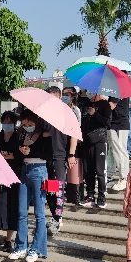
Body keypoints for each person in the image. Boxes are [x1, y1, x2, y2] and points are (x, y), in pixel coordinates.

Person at [9, 110, 51, 262]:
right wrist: (21, 151)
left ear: (36, 122)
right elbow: (20, 155)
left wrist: (31, 150)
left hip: (39, 171)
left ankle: (37, 248)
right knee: (22, 212)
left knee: (39, 213)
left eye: (30, 124)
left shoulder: (45, 133)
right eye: (25, 124)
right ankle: (21, 246)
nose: (27, 127)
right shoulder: (22, 134)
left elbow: (49, 155)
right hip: (24, 170)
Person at [44, 86, 79, 234]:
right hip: (45, 157)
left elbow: (74, 135)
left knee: (58, 190)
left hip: (60, 157)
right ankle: (54, 216)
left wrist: (71, 154)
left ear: (59, 98)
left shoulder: (67, 114)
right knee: (49, 190)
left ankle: (57, 220)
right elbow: (42, 133)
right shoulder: (44, 114)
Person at [0, 111, 22, 252]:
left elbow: (23, 158)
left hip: (13, 177)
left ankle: (8, 240)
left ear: (15, 124)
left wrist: (13, 157)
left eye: (10, 122)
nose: (7, 125)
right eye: (5, 122)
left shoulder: (19, 139)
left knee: (12, 208)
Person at [80, 92, 112, 208]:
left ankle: (102, 195)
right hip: (86, 141)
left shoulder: (105, 105)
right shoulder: (85, 104)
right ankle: (90, 195)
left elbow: (107, 123)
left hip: (100, 140)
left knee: (100, 169)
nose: (88, 93)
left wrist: (95, 114)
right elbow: (82, 122)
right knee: (88, 170)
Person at [62, 88, 84, 206]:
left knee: (74, 170)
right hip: (61, 142)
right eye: (63, 94)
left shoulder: (75, 110)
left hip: (73, 142)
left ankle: (75, 196)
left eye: (67, 95)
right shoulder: (59, 109)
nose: (64, 96)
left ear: (73, 97)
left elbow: (76, 128)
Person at [107, 94, 130, 191]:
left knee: (120, 151)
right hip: (112, 124)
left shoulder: (116, 89)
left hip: (120, 125)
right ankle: (109, 177)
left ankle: (124, 178)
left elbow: (111, 106)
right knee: (111, 152)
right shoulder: (112, 90)